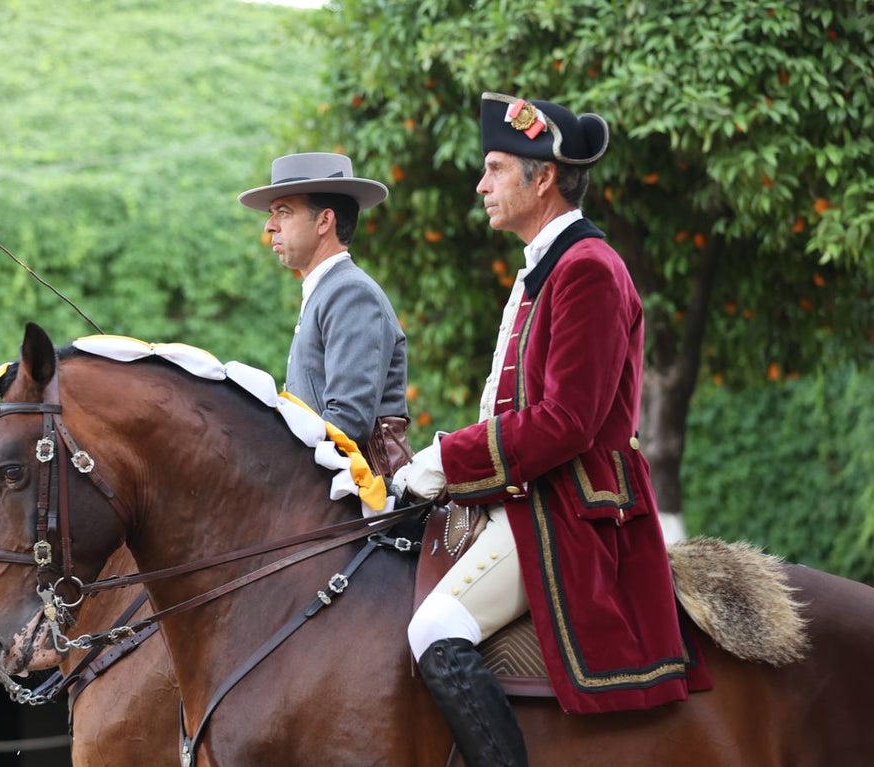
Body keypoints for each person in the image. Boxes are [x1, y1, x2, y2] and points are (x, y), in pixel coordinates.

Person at [391, 93, 707, 766]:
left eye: (496, 168)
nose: (481, 185)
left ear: (544, 177)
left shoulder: (586, 269)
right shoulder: (546, 267)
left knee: (435, 625)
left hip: (566, 508)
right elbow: (507, 411)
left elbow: (567, 421)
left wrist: (444, 459)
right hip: (527, 493)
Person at [239, 152, 412, 479]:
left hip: (367, 502)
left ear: (324, 221)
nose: (269, 225)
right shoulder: (328, 289)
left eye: (283, 212)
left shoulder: (350, 292)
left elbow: (349, 421)